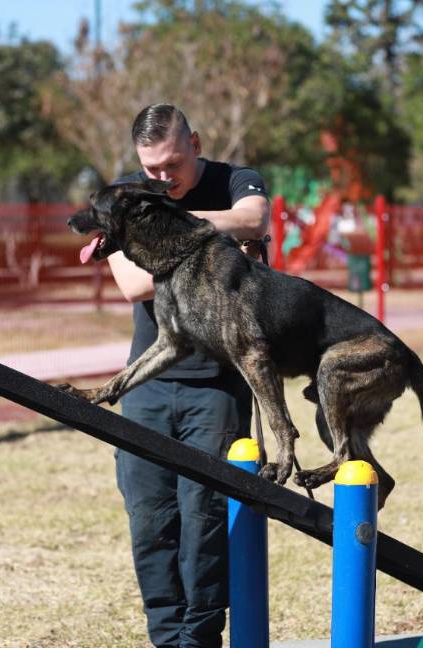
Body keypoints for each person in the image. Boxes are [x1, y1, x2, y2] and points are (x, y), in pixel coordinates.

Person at [107, 103, 270, 647]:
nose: (162, 179)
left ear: (195, 144)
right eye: (151, 169)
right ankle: (166, 638)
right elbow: (133, 285)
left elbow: (255, 220)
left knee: (204, 519)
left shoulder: (234, 181)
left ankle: (200, 640)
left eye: (172, 164)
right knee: (150, 520)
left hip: (217, 386)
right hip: (148, 383)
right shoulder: (126, 196)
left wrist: (170, 236)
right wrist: (216, 251)